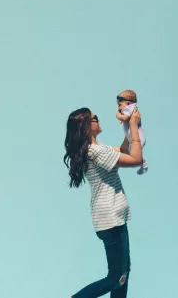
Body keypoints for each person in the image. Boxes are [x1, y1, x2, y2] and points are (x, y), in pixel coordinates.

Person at [63, 107, 144, 298]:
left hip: (114, 218)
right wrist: (133, 127)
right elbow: (136, 158)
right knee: (116, 276)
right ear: (85, 127)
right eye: (94, 118)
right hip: (111, 219)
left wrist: (127, 128)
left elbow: (123, 151)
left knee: (124, 272)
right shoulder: (96, 152)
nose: (98, 120)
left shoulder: (97, 150)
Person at [115, 90, 148, 175]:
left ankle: (143, 164)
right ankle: (142, 163)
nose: (118, 108)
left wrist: (118, 115)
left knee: (133, 153)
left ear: (128, 103)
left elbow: (125, 118)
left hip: (138, 138)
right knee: (130, 152)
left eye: (119, 105)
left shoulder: (131, 108)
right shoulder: (130, 108)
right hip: (133, 138)